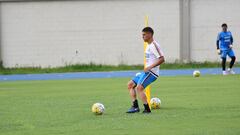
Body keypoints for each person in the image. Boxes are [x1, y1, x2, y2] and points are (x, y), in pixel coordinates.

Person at [126, 27, 165, 114]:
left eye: (144, 35)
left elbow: (162, 59)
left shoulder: (154, 45)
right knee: (130, 85)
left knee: (139, 88)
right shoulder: (148, 45)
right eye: (142, 35)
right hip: (147, 72)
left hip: (152, 73)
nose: (142, 37)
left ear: (150, 34)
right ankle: (135, 107)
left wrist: (150, 67)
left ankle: (147, 109)